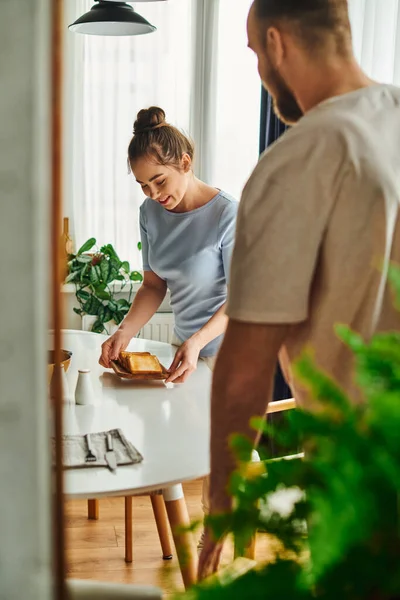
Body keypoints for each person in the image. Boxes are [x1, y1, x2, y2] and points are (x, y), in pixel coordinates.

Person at [198, 0, 400, 579]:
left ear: (277, 45)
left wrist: (221, 503)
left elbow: (244, 368)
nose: (260, 70)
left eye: (255, 53)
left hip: (363, 483)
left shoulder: (299, 158)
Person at [99, 106, 238, 526]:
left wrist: (197, 342)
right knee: (171, 446)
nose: (154, 194)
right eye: (143, 186)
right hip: (186, 348)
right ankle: (179, 542)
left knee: (214, 456)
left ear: (185, 163)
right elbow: (154, 285)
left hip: (228, 352)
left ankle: (209, 555)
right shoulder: (151, 213)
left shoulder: (227, 214)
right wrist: (123, 331)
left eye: (159, 180)